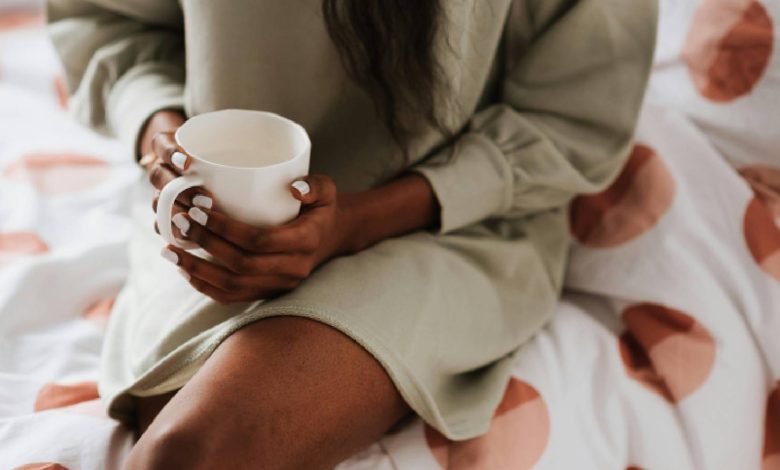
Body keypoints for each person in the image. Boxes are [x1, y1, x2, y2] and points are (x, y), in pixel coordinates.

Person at [47, 0, 657, 467]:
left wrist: (354, 224)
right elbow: (110, 23)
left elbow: (574, 118)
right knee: (180, 422)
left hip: (450, 220)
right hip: (213, 221)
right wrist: (170, 147)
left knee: (194, 448)